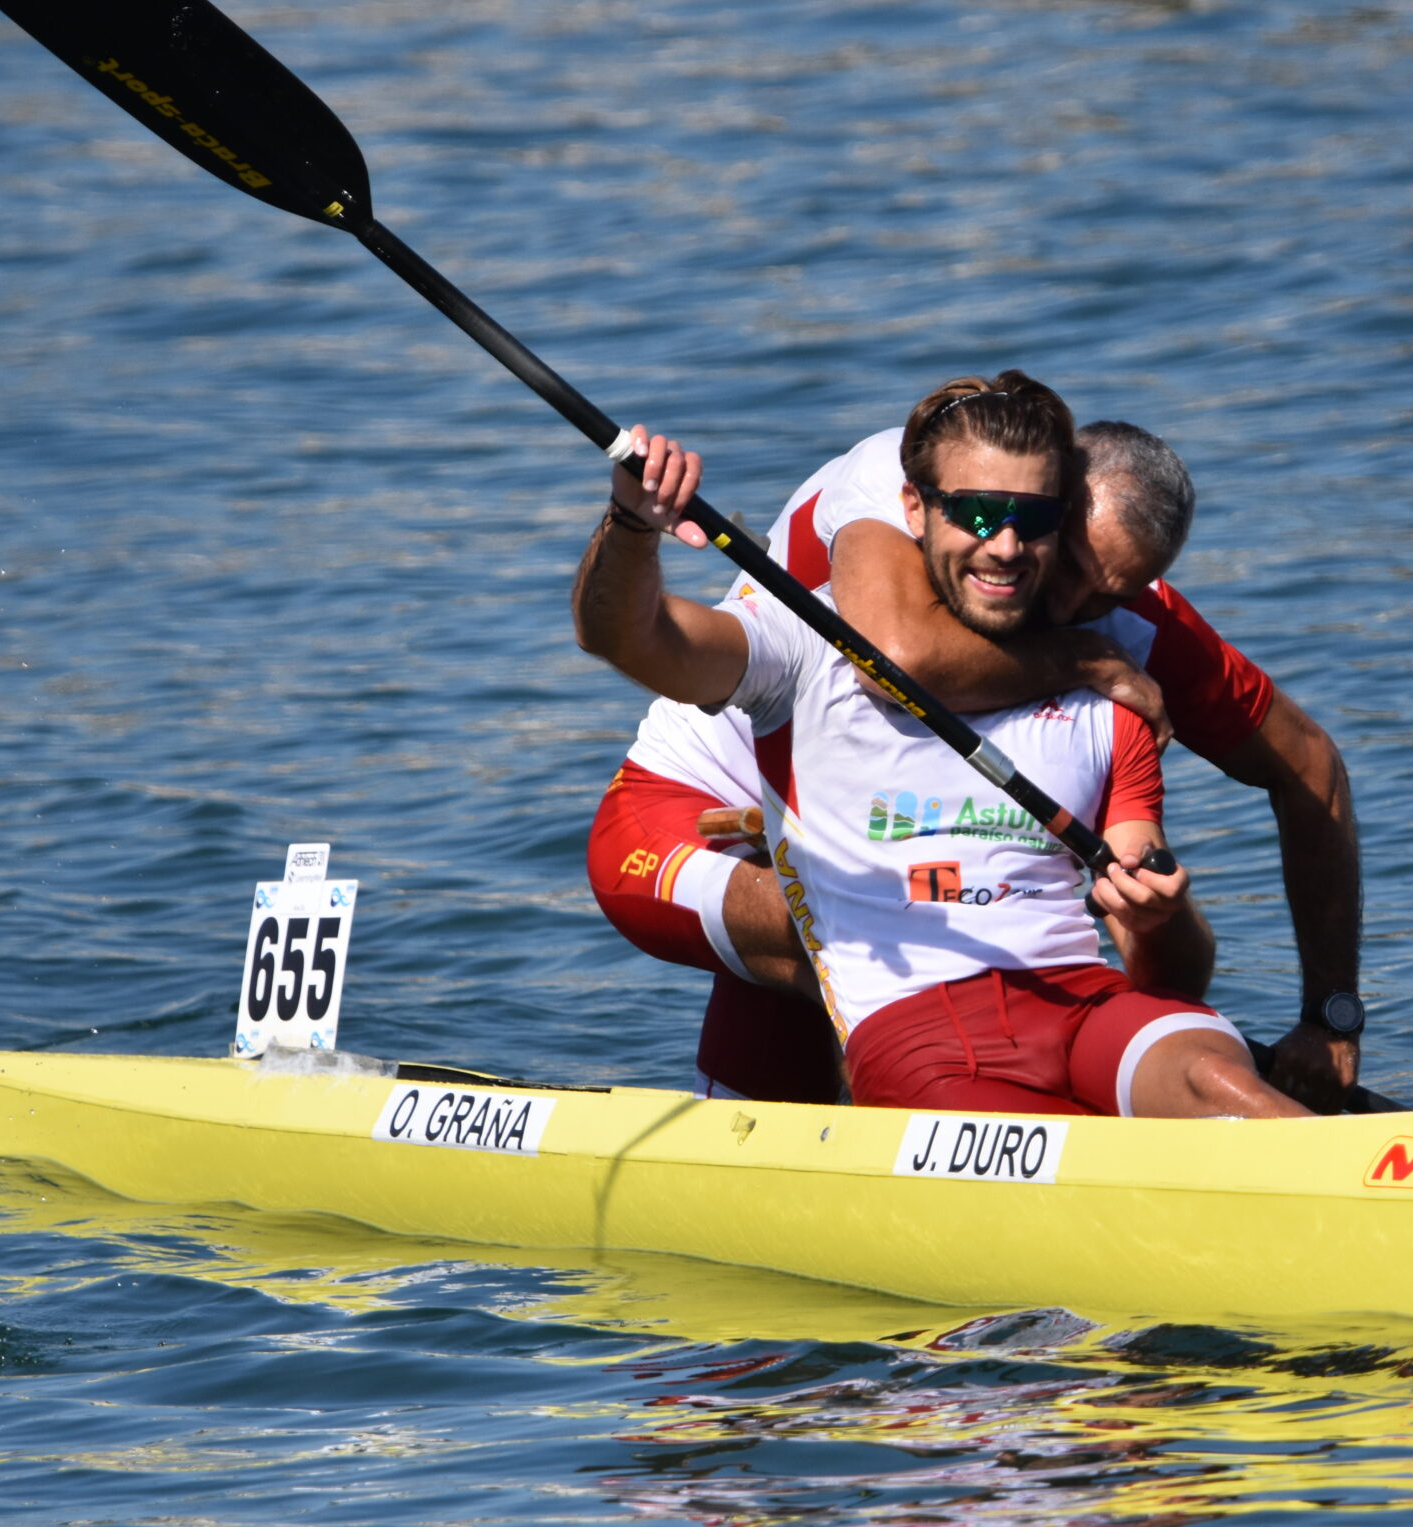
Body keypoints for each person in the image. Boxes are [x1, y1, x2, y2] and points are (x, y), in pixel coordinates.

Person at [586, 406, 1368, 1110]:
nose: (1055, 607)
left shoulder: (1133, 622)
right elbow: (896, 662)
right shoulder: (900, 483)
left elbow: (1310, 770)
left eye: (1100, 601)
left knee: (998, 933)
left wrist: (1328, 1016)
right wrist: (1085, 660)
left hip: (889, 853)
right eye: (1064, 566)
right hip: (681, 813)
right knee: (908, 922)